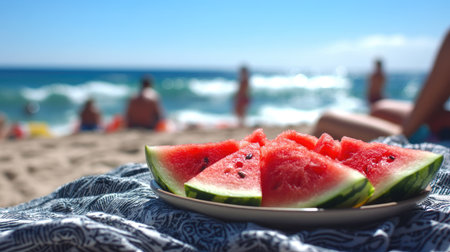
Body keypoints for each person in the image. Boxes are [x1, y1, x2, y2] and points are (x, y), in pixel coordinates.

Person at [313, 29, 450, 143]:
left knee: (325, 121)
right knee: (380, 108)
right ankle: (376, 98)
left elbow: (405, 132)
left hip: (441, 140)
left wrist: (404, 133)